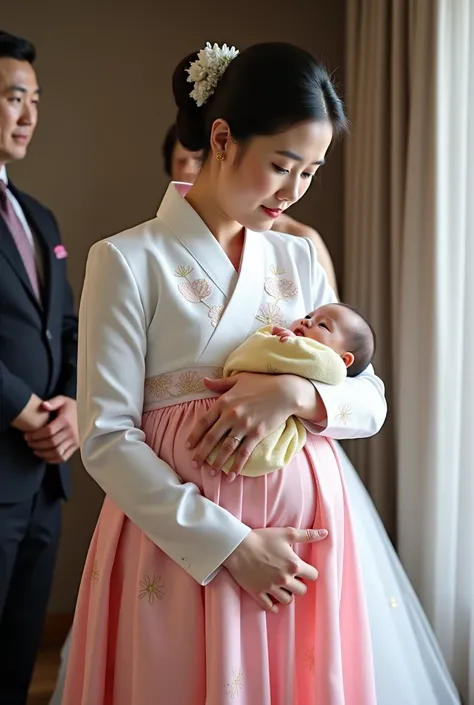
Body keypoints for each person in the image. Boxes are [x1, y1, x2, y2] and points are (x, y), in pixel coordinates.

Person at [61, 41, 386, 705]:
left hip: (304, 557)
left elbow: (370, 399)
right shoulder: (127, 260)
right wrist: (232, 544)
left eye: (312, 172)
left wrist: (296, 392)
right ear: (223, 137)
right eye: (282, 165)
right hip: (186, 554)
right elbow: (105, 435)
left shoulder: (298, 261)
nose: (294, 191)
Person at [0, 30, 79, 705]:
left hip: (45, 480)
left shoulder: (39, 216)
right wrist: (23, 408)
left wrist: (72, 406)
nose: (27, 114)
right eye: (11, 97)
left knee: (19, 654)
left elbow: (69, 330)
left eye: (33, 99)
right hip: (4, 449)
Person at [163, 120, 339, 294]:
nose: (292, 194)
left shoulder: (301, 251)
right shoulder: (145, 253)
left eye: (307, 173)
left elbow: (338, 320)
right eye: (180, 161)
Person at [207, 303, 375, 476]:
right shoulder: (281, 338)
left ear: (344, 360)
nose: (306, 322)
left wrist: (291, 349)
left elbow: (369, 401)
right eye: (309, 317)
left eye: (322, 325)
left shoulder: (330, 365)